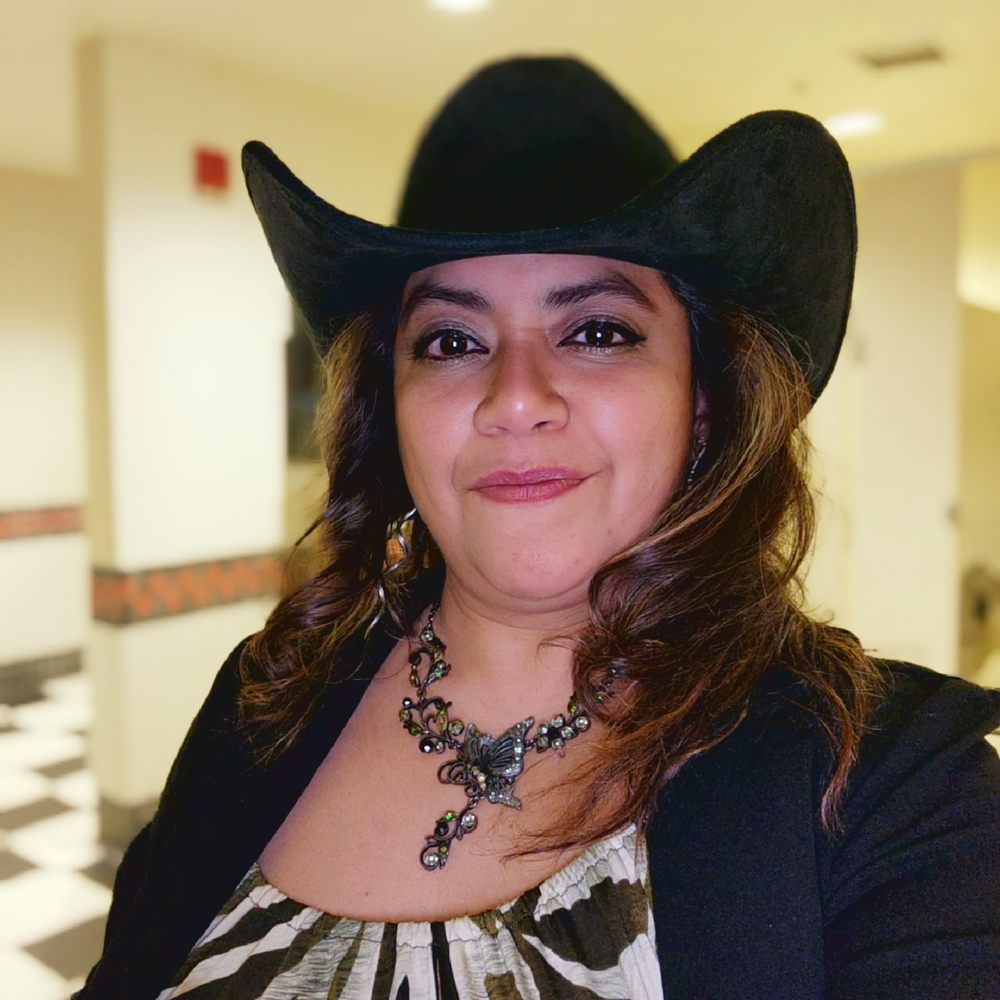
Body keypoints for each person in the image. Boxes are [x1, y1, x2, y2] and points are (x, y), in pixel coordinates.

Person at [78, 57, 1000, 1000]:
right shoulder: (265, 702)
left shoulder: (891, 787)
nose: (515, 398)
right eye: (452, 341)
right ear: (390, 411)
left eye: (597, 331)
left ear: (704, 400)